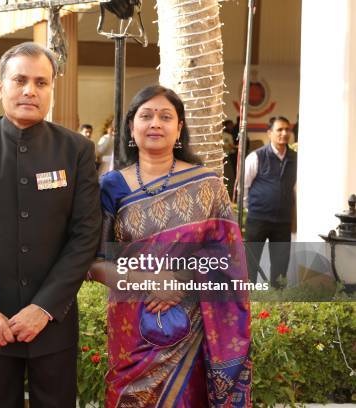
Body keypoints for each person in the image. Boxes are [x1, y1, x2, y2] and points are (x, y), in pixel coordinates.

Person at [0, 42, 101, 408]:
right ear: (1, 87)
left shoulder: (75, 150)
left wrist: (43, 308)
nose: (30, 90)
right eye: (20, 80)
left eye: (41, 83)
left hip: (53, 324)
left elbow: (86, 234)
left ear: (51, 90)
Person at [89, 85, 251, 407]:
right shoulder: (111, 187)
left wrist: (179, 281)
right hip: (132, 331)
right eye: (145, 116)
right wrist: (150, 282)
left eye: (166, 116)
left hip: (194, 328)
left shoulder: (208, 185)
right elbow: (92, 263)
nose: (155, 123)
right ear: (131, 129)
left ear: (179, 129)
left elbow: (230, 261)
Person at [243, 116, 297, 287]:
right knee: (250, 265)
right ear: (269, 133)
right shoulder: (256, 157)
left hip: (282, 221)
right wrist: (250, 208)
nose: (284, 133)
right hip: (257, 219)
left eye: (287, 129)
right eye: (279, 129)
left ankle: (277, 305)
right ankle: (248, 303)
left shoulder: (296, 159)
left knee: (280, 268)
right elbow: (243, 187)